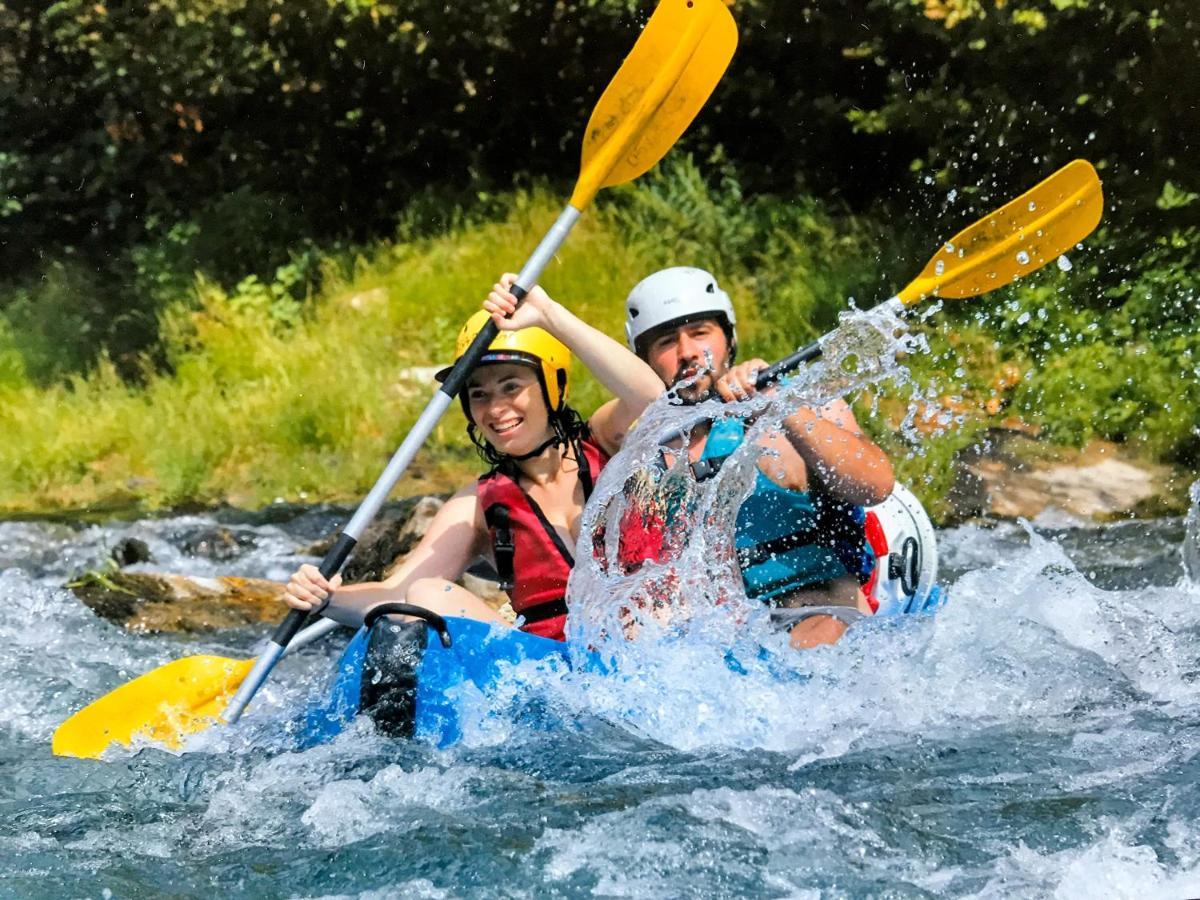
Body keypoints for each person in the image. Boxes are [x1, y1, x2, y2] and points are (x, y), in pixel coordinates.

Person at [282, 275, 663, 642]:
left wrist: (549, 315)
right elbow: (397, 595)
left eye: (511, 386)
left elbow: (650, 396)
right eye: (478, 394)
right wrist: (327, 599)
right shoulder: (480, 503)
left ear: (553, 385)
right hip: (551, 669)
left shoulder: (604, 443)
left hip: (645, 643)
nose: (495, 409)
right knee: (429, 593)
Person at [619, 266, 895, 649]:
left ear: (729, 340)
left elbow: (876, 484)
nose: (687, 353)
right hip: (723, 630)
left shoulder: (800, 401)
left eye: (700, 333)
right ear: (644, 361)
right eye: (666, 342)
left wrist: (781, 404)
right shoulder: (645, 447)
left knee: (815, 640)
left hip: (820, 608)